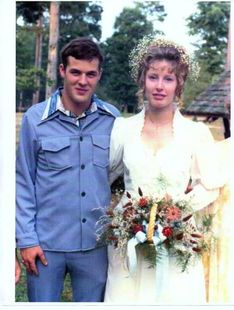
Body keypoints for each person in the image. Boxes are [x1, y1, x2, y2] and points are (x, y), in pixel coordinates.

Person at [105, 36, 229, 304]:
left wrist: (175, 211)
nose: (159, 86)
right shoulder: (122, 129)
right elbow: (104, 176)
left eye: (168, 79)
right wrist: (125, 214)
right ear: (142, 80)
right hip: (128, 247)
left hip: (177, 244)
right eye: (153, 77)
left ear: (179, 85)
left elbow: (210, 186)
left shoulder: (196, 133)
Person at [16, 37, 120, 302]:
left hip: (95, 248)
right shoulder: (35, 120)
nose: (82, 81)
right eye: (75, 72)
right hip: (45, 246)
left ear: (99, 75)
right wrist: (26, 240)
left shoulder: (113, 120)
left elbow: (125, 177)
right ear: (62, 71)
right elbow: (22, 183)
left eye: (90, 74)